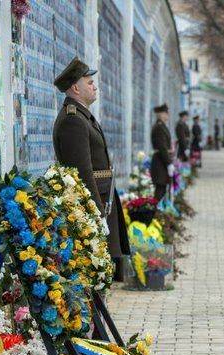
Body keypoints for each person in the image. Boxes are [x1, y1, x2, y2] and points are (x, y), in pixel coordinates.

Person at [52, 56, 130, 259]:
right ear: (76, 88)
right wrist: (97, 213)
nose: (95, 87)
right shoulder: (73, 120)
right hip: (93, 205)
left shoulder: (81, 116)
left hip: (103, 199)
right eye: (90, 83)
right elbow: (82, 172)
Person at [150, 104, 172, 201]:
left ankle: (159, 213)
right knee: (159, 191)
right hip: (160, 162)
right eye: (165, 113)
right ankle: (157, 213)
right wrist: (169, 163)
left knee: (162, 189)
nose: (167, 115)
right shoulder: (159, 127)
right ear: (160, 114)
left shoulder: (162, 126)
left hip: (161, 161)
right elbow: (162, 147)